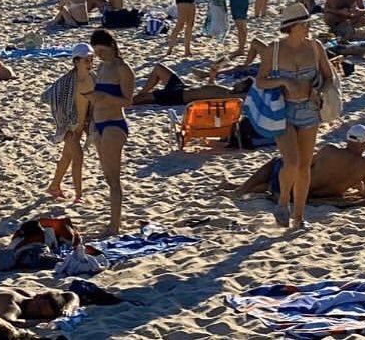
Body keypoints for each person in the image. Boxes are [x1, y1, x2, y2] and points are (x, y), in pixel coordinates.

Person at [256, 2, 336, 229]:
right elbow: (260, 81)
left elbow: (328, 77)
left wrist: (317, 90)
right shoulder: (274, 50)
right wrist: (283, 80)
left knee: (304, 166)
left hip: (310, 111)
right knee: (291, 162)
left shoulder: (315, 47)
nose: (309, 28)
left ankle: (299, 218)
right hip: (283, 111)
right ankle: (283, 203)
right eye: (305, 24)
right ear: (293, 26)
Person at [226, 125, 365, 202]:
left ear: (348, 140)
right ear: (364, 144)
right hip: (311, 197)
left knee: (277, 162)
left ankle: (240, 190)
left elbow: (304, 165)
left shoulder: (329, 151)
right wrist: (354, 188)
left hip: (297, 190)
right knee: (269, 184)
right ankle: (237, 188)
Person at [87, 28, 134, 236]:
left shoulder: (122, 69)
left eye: (102, 51)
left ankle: (115, 225)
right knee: (107, 177)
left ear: (111, 46)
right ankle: (113, 221)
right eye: (96, 52)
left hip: (114, 124)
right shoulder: (102, 67)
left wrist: (104, 97)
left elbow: (128, 101)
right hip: (98, 124)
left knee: (114, 179)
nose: (100, 55)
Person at [44, 43, 97, 205]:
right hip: (68, 125)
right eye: (86, 60)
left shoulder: (94, 79)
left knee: (67, 157)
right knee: (78, 156)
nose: (90, 63)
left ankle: (54, 186)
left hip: (81, 125)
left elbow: (95, 104)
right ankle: (79, 195)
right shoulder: (66, 82)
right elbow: (48, 96)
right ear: (76, 62)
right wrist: (63, 121)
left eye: (91, 59)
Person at [132, 62, 249, 106]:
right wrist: (212, 76)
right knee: (159, 68)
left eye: (241, 83)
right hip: (183, 88)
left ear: (244, 89)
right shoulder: (227, 90)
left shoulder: (231, 96)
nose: (238, 82)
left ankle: (126, 101)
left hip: (178, 96)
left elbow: (248, 96)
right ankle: (142, 92)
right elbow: (209, 89)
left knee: (141, 98)